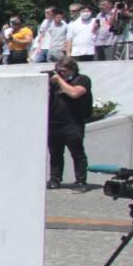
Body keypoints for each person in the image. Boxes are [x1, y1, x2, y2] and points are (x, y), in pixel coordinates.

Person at [47, 56, 93, 191]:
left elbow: (74, 93)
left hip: (73, 123)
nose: (61, 73)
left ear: (72, 69)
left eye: (64, 71)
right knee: (55, 154)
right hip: (54, 123)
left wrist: (59, 80)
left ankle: (80, 181)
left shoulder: (82, 79)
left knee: (77, 153)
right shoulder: (54, 83)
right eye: (58, 71)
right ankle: (55, 179)